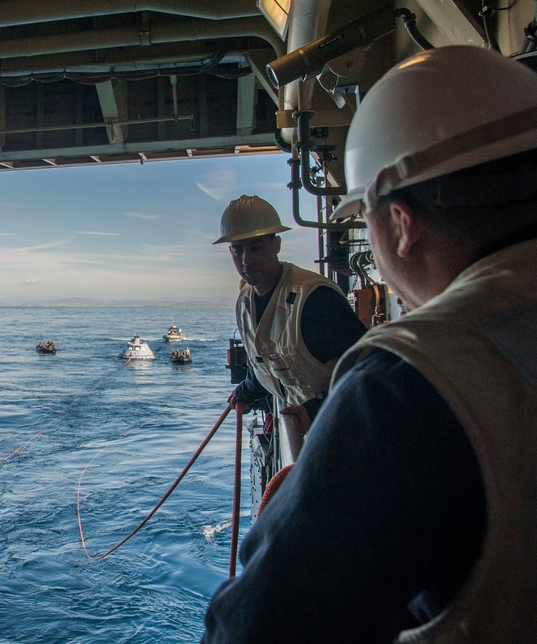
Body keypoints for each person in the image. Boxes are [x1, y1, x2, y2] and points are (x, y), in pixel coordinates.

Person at [202, 46, 537, 642]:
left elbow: (262, 624)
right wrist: (248, 390)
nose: (246, 258)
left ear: (402, 223)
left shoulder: (406, 381)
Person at [213, 195, 366, 432]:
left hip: (345, 424)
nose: (246, 261)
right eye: (237, 250)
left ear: (276, 244)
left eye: (256, 247)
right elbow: (263, 360)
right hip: (305, 428)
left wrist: (316, 409)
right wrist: (245, 392)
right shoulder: (245, 303)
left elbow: (366, 368)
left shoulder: (315, 299)